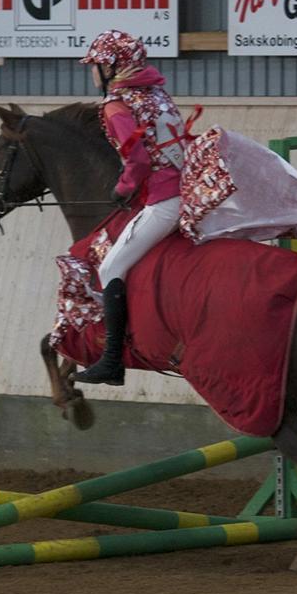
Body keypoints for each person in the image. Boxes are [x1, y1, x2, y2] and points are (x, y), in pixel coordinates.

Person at [73, 29, 190, 386]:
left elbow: (136, 160)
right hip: (190, 190)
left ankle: (111, 361)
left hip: (165, 201)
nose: (92, 72)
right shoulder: (156, 94)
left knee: (111, 267)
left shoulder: (116, 106)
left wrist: (122, 188)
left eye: (95, 65)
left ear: (111, 66)